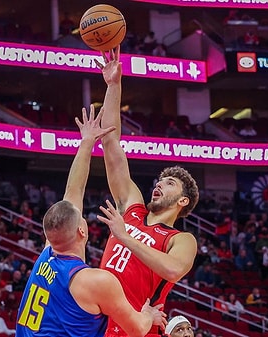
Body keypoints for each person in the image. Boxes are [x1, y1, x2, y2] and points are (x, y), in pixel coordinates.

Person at [15, 106, 166, 337]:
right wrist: (149, 315)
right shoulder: (96, 281)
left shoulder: (46, 254)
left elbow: (73, 191)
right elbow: (137, 329)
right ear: (82, 231)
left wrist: (87, 143)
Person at [96, 48, 199, 337]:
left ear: (182, 201)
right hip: (97, 322)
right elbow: (111, 143)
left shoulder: (181, 239)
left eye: (169, 183)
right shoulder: (133, 208)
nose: (159, 184)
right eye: (161, 179)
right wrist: (113, 86)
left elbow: (173, 270)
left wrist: (125, 237)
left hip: (135, 328)